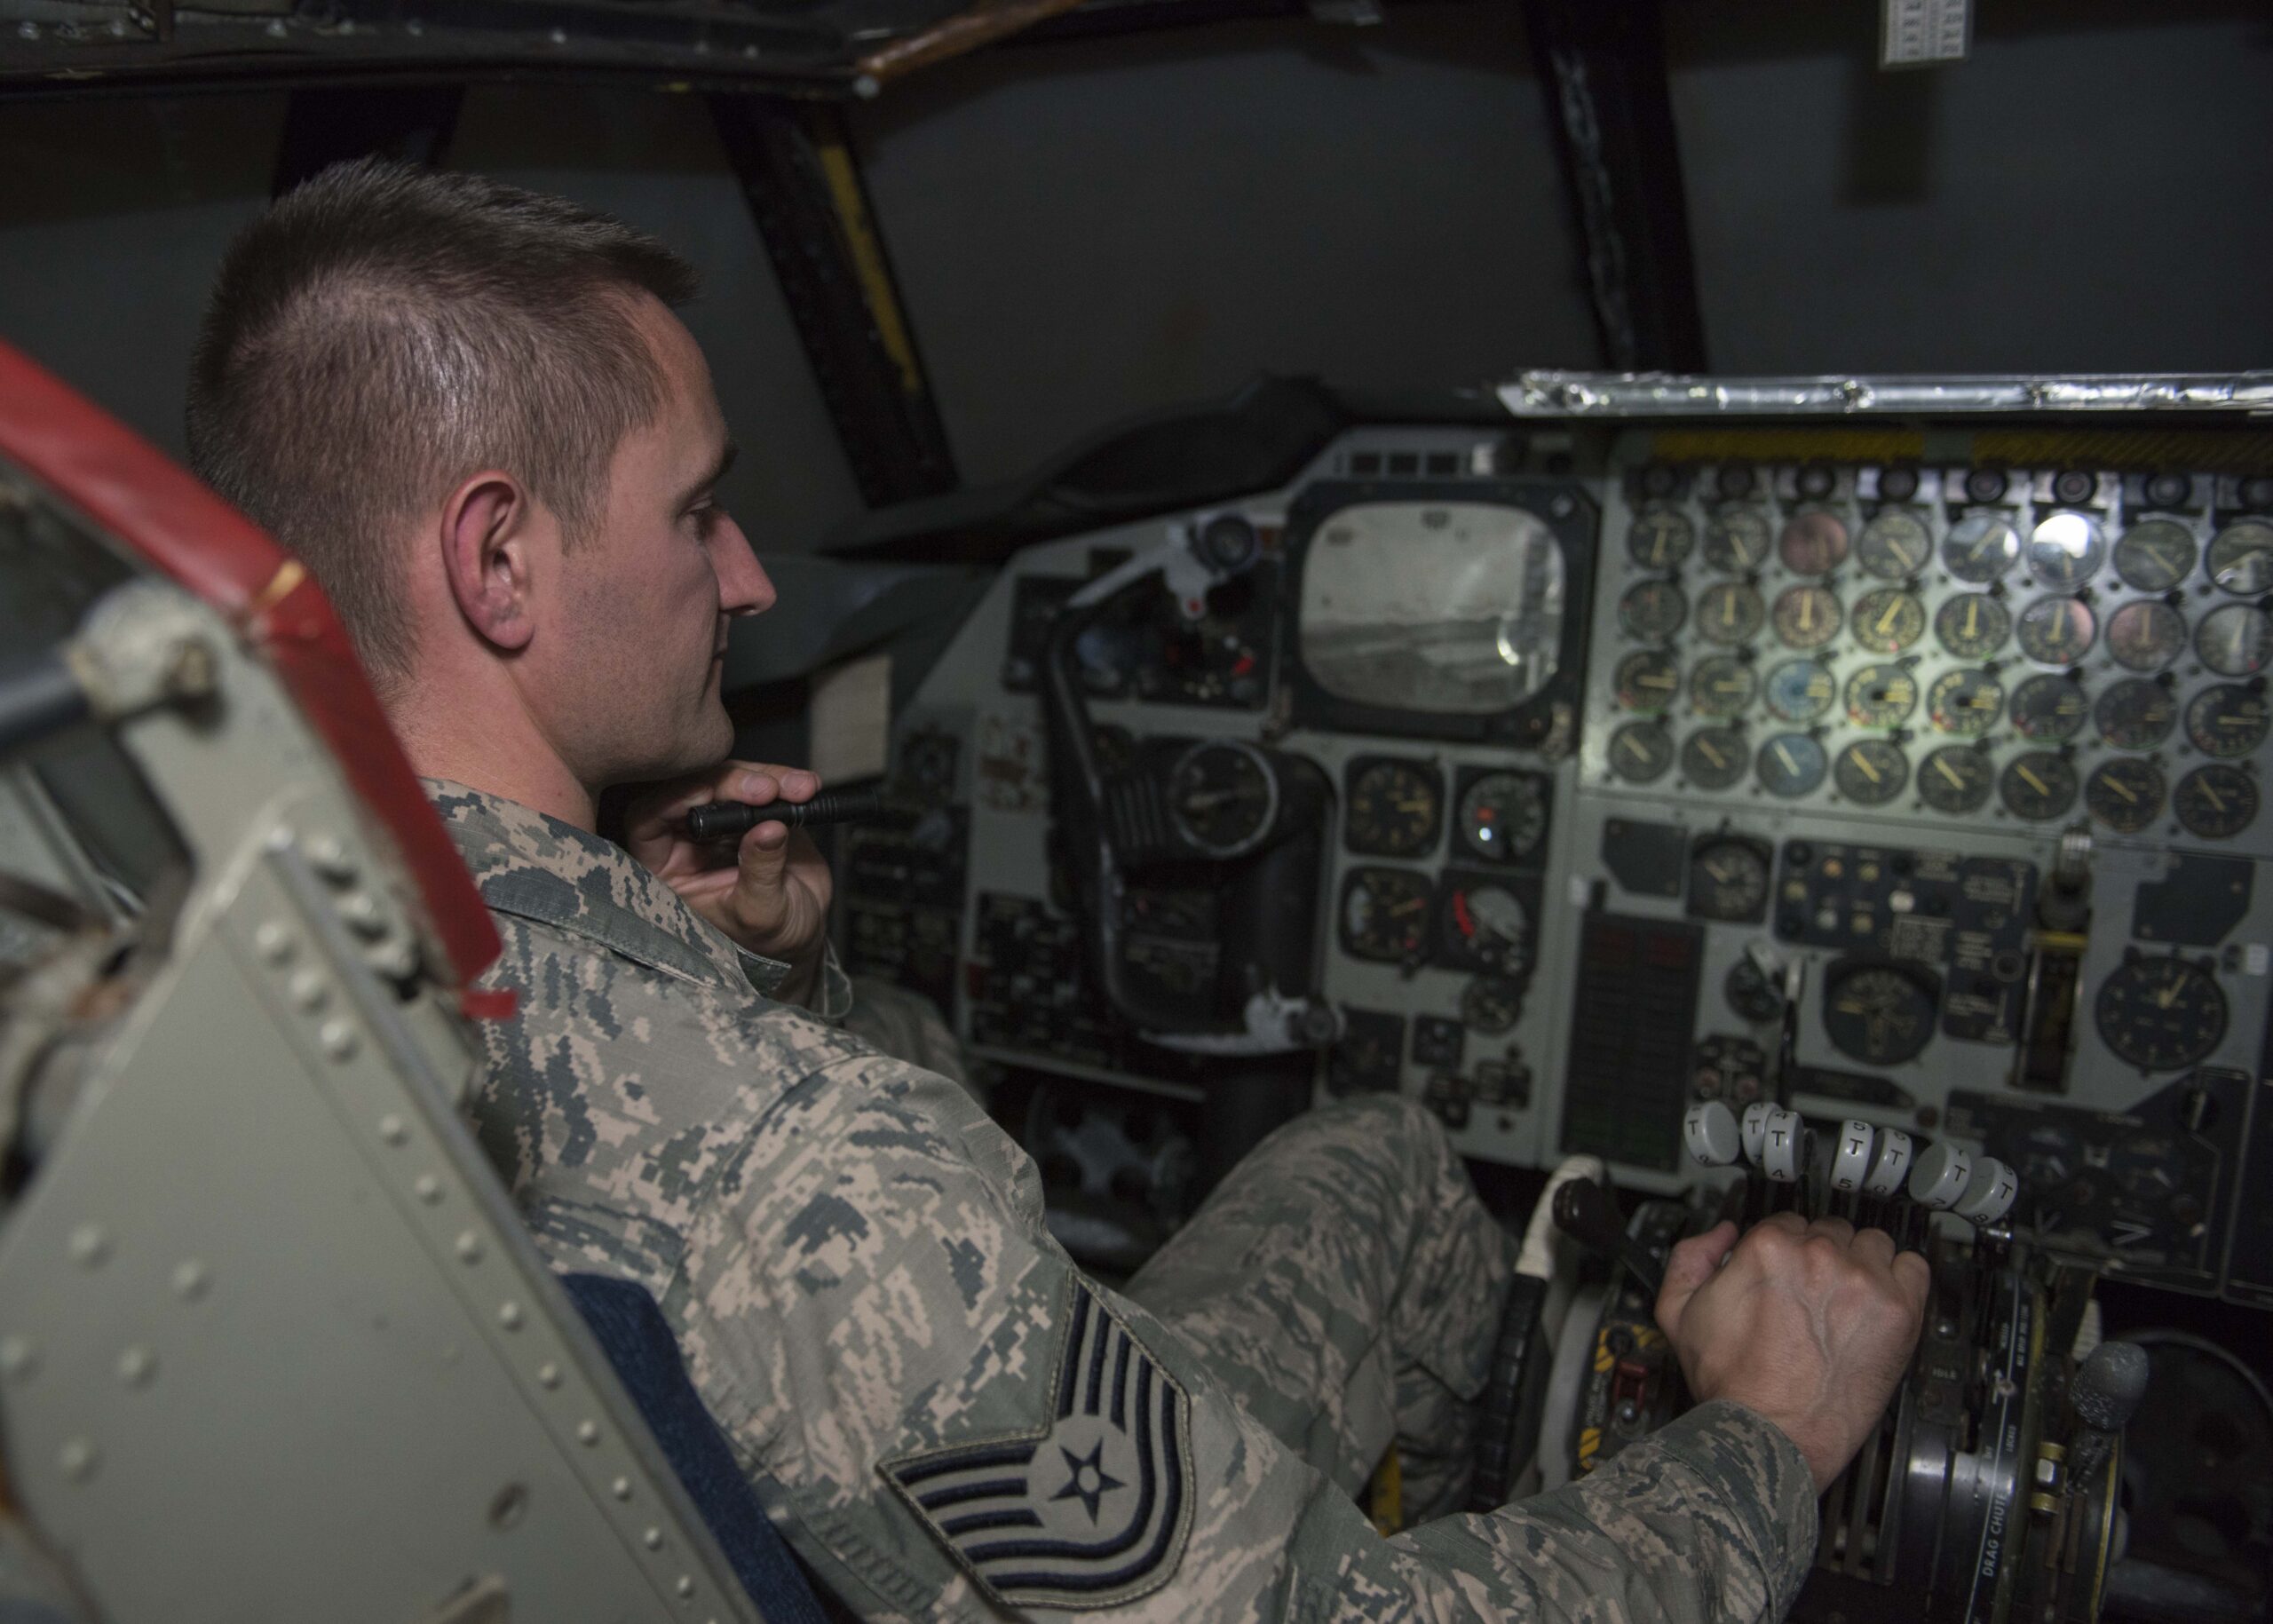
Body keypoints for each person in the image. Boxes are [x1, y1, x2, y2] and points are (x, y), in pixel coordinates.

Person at [186, 158, 1928, 1620]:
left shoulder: (208, 945)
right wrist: (1761, 1440)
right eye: (697, 511)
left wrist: (743, 970)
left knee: (1383, 1162)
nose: (750, 580)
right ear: (497, 559)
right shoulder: (812, 1169)